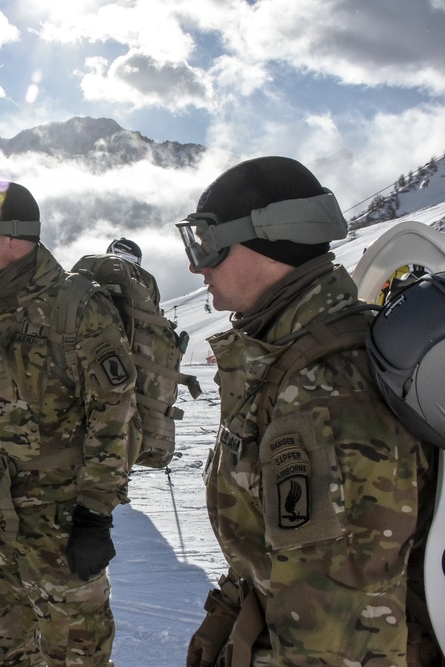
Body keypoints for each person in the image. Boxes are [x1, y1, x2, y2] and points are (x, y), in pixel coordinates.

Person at [179, 156, 440, 666]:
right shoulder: (282, 355)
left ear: (269, 240)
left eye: (207, 243)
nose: (196, 266)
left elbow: (340, 634)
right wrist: (224, 618)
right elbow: (266, 539)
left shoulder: (326, 394)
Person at [0, 181, 141, 666]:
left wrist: (95, 516)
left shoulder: (79, 307)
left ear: (15, 236)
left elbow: (114, 417)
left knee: (75, 654)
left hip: (62, 524)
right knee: (0, 652)